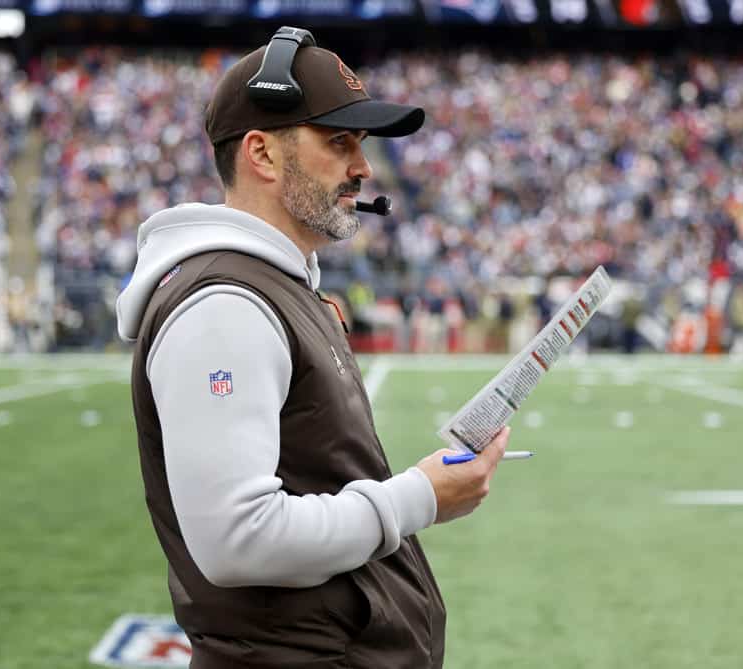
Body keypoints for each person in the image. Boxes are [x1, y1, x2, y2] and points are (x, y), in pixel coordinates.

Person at [117, 27, 510, 668]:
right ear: (263, 155)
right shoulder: (226, 305)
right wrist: (420, 497)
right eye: (339, 142)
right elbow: (237, 541)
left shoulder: (272, 284)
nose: (363, 168)